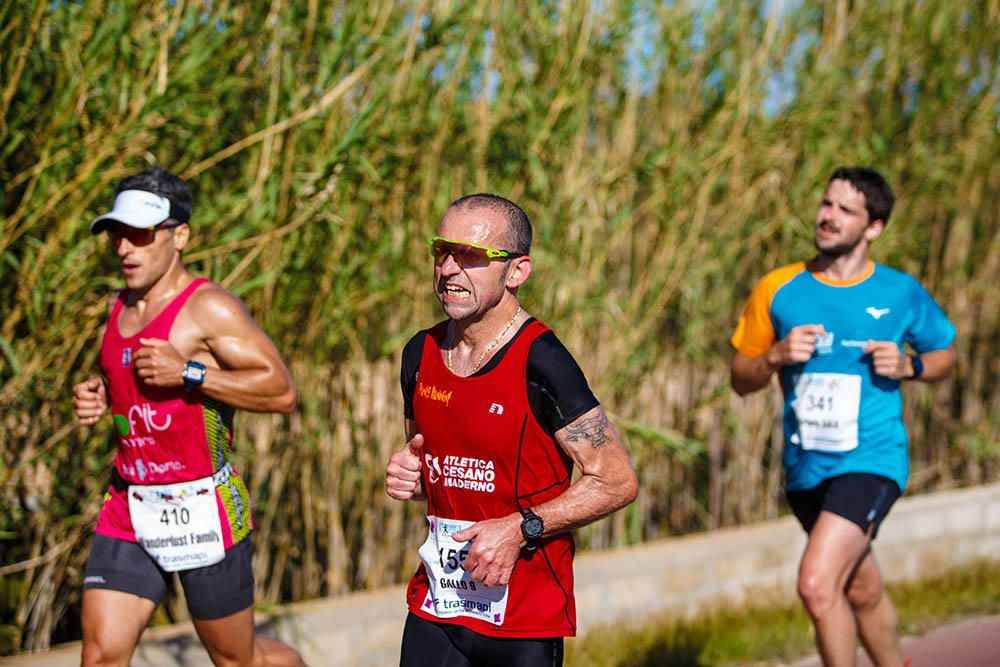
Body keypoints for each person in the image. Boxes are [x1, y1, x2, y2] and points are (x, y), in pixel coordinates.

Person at [385, 194, 639, 667]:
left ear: (517, 272)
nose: (449, 269)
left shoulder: (542, 361)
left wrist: (521, 528)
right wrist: (412, 476)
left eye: (472, 256)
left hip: (522, 615)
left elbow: (616, 480)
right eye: (442, 252)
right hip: (440, 602)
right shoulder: (418, 354)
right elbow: (435, 467)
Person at [71, 167, 304, 667]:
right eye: (118, 234)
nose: (125, 249)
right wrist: (97, 393)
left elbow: (282, 392)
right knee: (101, 654)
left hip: (202, 506)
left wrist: (191, 372)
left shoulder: (209, 308)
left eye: (141, 234)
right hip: (129, 505)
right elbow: (120, 379)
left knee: (237, 659)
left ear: (180, 236)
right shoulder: (116, 307)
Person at [730, 167, 956, 667]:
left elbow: (946, 356)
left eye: (845, 210)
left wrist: (910, 364)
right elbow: (740, 377)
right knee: (861, 587)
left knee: (816, 583)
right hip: (805, 469)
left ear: (873, 227)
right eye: (826, 204)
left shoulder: (900, 292)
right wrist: (773, 357)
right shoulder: (779, 288)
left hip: (872, 459)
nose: (827, 217)